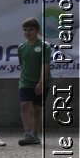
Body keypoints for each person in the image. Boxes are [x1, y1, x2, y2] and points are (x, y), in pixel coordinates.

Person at [17, 16, 51, 145]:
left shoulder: (44, 46)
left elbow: (45, 65)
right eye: (25, 30)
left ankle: (35, 134)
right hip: (25, 82)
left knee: (37, 109)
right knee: (25, 105)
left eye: (30, 29)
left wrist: (41, 82)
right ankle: (28, 133)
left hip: (42, 82)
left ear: (37, 31)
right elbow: (23, 64)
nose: (27, 32)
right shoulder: (21, 47)